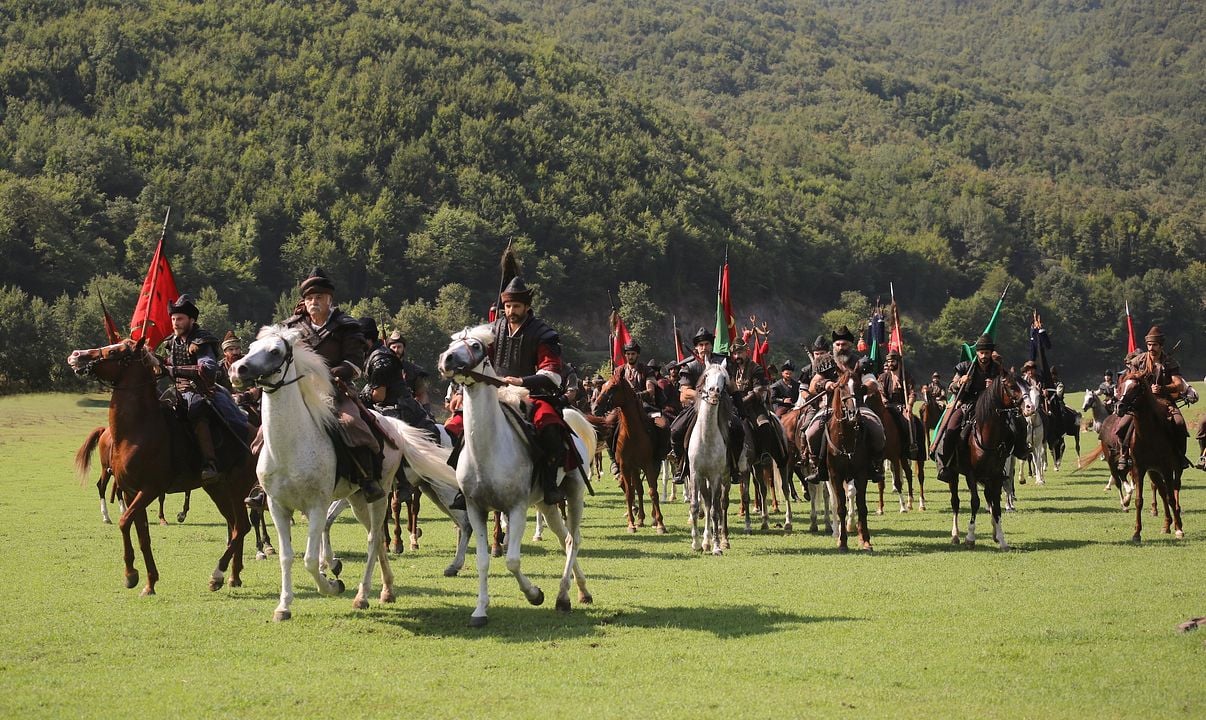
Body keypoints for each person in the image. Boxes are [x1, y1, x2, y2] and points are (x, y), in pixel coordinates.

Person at [281, 267, 385, 502]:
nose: (313, 302)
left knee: (354, 424)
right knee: (267, 429)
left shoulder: (347, 326)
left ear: (329, 300)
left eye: (318, 298)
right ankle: (261, 484)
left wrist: (329, 374)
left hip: (335, 390)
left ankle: (367, 479)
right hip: (298, 393)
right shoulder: (292, 328)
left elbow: (355, 362)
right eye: (309, 298)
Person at [489, 273, 577, 505]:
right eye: (507, 306)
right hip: (494, 393)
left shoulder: (542, 333)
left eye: (516, 306)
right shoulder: (493, 330)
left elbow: (552, 373)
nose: (510, 311)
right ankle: (462, 483)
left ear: (527, 307)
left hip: (531, 394)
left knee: (549, 424)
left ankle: (549, 483)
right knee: (459, 424)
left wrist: (521, 381)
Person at [161, 294, 248, 483]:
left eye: (180, 319)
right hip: (177, 391)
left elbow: (208, 368)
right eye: (173, 319)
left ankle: (210, 463)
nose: (176, 323)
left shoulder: (201, 340)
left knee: (196, 410)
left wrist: (174, 369)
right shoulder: (171, 342)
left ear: (191, 320)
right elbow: (166, 364)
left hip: (199, 390)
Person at [800, 325, 885, 485]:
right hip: (830, 408)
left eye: (844, 344)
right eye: (838, 344)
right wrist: (825, 384)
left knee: (877, 429)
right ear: (834, 346)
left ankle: (875, 466)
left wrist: (863, 387)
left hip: (858, 405)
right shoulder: (825, 361)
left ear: (850, 345)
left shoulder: (861, 362)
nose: (841, 347)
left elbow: (872, 382)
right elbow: (812, 385)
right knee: (811, 433)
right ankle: (818, 466)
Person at [933, 334, 1024, 483]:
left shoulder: (997, 369)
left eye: (987, 353)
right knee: (951, 427)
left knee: (1014, 426)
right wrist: (960, 382)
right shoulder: (965, 367)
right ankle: (945, 465)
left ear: (990, 353)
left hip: (991, 408)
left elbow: (1007, 384)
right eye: (981, 353)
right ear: (977, 353)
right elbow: (951, 386)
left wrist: (992, 388)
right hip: (968, 405)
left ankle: (1015, 455)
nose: (984, 356)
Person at [1109, 325, 1190, 470]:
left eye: (1154, 345)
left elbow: (1179, 384)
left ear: (1161, 346)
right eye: (1149, 345)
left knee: (1179, 423)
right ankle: (1124, 455)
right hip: (1140, 403)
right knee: (1121, 427)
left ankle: (1179, 456)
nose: (1151, 348)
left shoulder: (1169, 362)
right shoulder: (1138, 361)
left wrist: (1163, 388)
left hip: (1164, 401)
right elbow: (1129, 378)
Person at [669, 328, 743, 484]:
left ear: (711, 345)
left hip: (721, 407)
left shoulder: (722, 363)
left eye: (707, 344)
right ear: (696, 347)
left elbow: (733, 387)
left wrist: (740, 406)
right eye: (701, 345)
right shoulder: (689, 366)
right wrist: (702, 396)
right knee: (675, 430)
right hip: (696, 408)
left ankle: (734, 468)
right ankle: (681, 466)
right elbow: (684, 393)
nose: (704, 348)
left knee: (738, 429)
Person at [363, 330, 441, 440]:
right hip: (384, 408)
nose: (396, 350)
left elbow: (421, 394)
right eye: (393, 347)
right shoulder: (380, 365)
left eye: (399, 347)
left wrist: (426, 412)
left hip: (409, 409)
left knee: (431, 436)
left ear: (403, 348)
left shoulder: (414, 370)